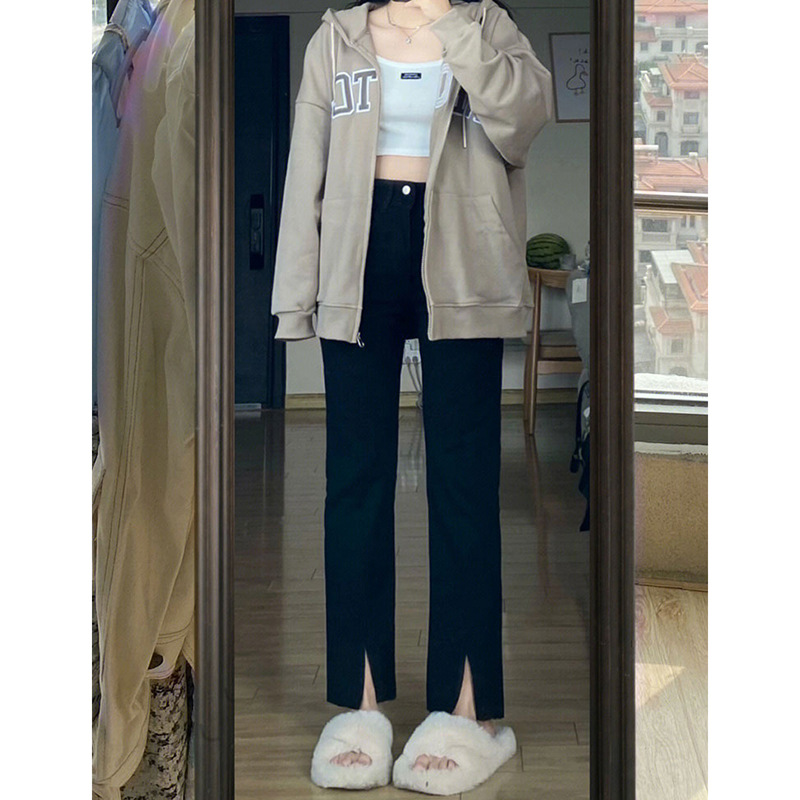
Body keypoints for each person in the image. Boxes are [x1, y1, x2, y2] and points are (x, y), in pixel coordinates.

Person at [270, 0, 554, 791]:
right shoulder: (336, 40)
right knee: (354, 481)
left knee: (464, 483)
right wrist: (296, 295)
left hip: (462, 256)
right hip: (358, 255)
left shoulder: (488, 27)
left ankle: (469, 711)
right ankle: (359, 706)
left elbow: (523, 122)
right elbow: (306, 169)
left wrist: (452, 25)